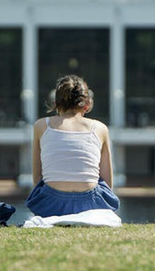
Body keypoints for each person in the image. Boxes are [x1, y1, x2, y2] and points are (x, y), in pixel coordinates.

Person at [25, 75, 120, 217]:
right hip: (91, 204)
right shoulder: (100, 128)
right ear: (87, 104)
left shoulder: (41, 125)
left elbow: (37, 176)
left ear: (56, 104)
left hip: (51, 204)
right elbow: (107, 181)